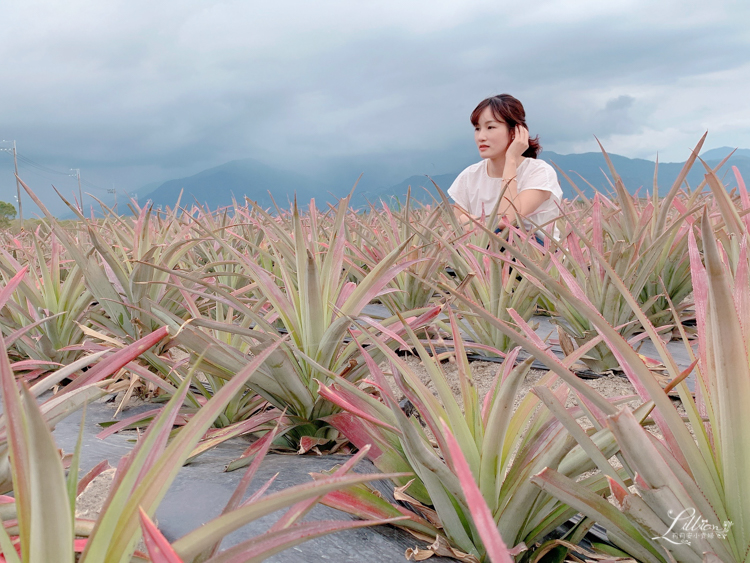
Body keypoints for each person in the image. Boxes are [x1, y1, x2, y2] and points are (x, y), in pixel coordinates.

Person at [448, 94, 563, 241]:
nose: (481, 136)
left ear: (515, 132)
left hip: (535, 258)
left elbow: (508, 220)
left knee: (510, 234)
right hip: (484, 257)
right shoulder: (469, 176)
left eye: (490, 127)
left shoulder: (539, 171)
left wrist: (511, 160)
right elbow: (457, 227)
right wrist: (466, 222)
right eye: (477, 128)